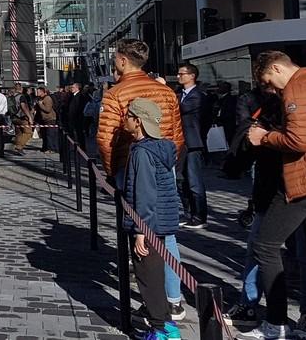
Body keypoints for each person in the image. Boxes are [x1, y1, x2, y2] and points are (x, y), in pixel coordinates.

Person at [97, 38, 185, 321]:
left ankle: (153, 302)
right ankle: (174, 298)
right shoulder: (166, 91)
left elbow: (107, 138)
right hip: (164, 159)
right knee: (167, 233)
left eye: (115, 59)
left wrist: (111, 171)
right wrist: (171, 159)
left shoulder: (116, 94)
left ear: (122, 61)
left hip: (130, 163)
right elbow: (177, 132)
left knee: (140, 230)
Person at [241, 51, 306, 339]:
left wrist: (264, 137)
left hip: (301, 182)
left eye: (270, 82)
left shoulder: (296, 86)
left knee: (265, 246)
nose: (272, 90)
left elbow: (299, 139)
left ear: (278, 68)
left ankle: (277, 323)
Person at [122, 97, 183, 340]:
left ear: (138, 122)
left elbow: (145, 193)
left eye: (127, 116)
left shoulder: (143, 153)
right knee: (154, 275)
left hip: (148, 223)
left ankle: (161, 329)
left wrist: (140, 230)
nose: (124, 120)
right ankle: (164, 325)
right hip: (161, 220)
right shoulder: (163, 147)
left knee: (148, 278)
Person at [175, 63, 210, 229]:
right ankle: (189, 214)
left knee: (194, 181)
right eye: (179, 74)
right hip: (180, 142)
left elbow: (181, 108)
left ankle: (199, 216)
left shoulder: (198, 96)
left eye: (182, 74)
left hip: (193, 143)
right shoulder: (179, 94)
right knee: (181, 180)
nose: (179, 77)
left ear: (192, 76)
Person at [36, 86, 58, 153]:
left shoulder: (47, 98)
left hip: (50, 119)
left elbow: (48, 109)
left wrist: (40, 105)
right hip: (44, 119)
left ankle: (51, 149)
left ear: (43, 92)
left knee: (50, 134)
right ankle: (45, 147)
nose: (37, 93)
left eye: (38, 92)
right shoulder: (40, 99)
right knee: (44, 134)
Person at [217, 81, 239, 147]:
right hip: (224, 124)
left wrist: (221, 119)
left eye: (220, 87)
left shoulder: (230, 99)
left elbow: (229, 113)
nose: (218, 89)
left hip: (228, 124)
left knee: (229, 141)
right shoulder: (220, 99)